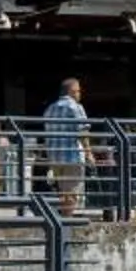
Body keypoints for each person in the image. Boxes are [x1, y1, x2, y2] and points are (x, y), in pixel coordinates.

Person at [43, 77, 92, 214]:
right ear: (71, 91)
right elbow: (83, 131)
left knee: (63, 191)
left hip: (55, 156)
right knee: (72, 191)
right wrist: (89, 153)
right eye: (78, 91)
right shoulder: (76, 107)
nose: (80, 94)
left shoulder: (50, 108)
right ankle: (67, 221)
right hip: (72, 156)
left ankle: (64, 217)